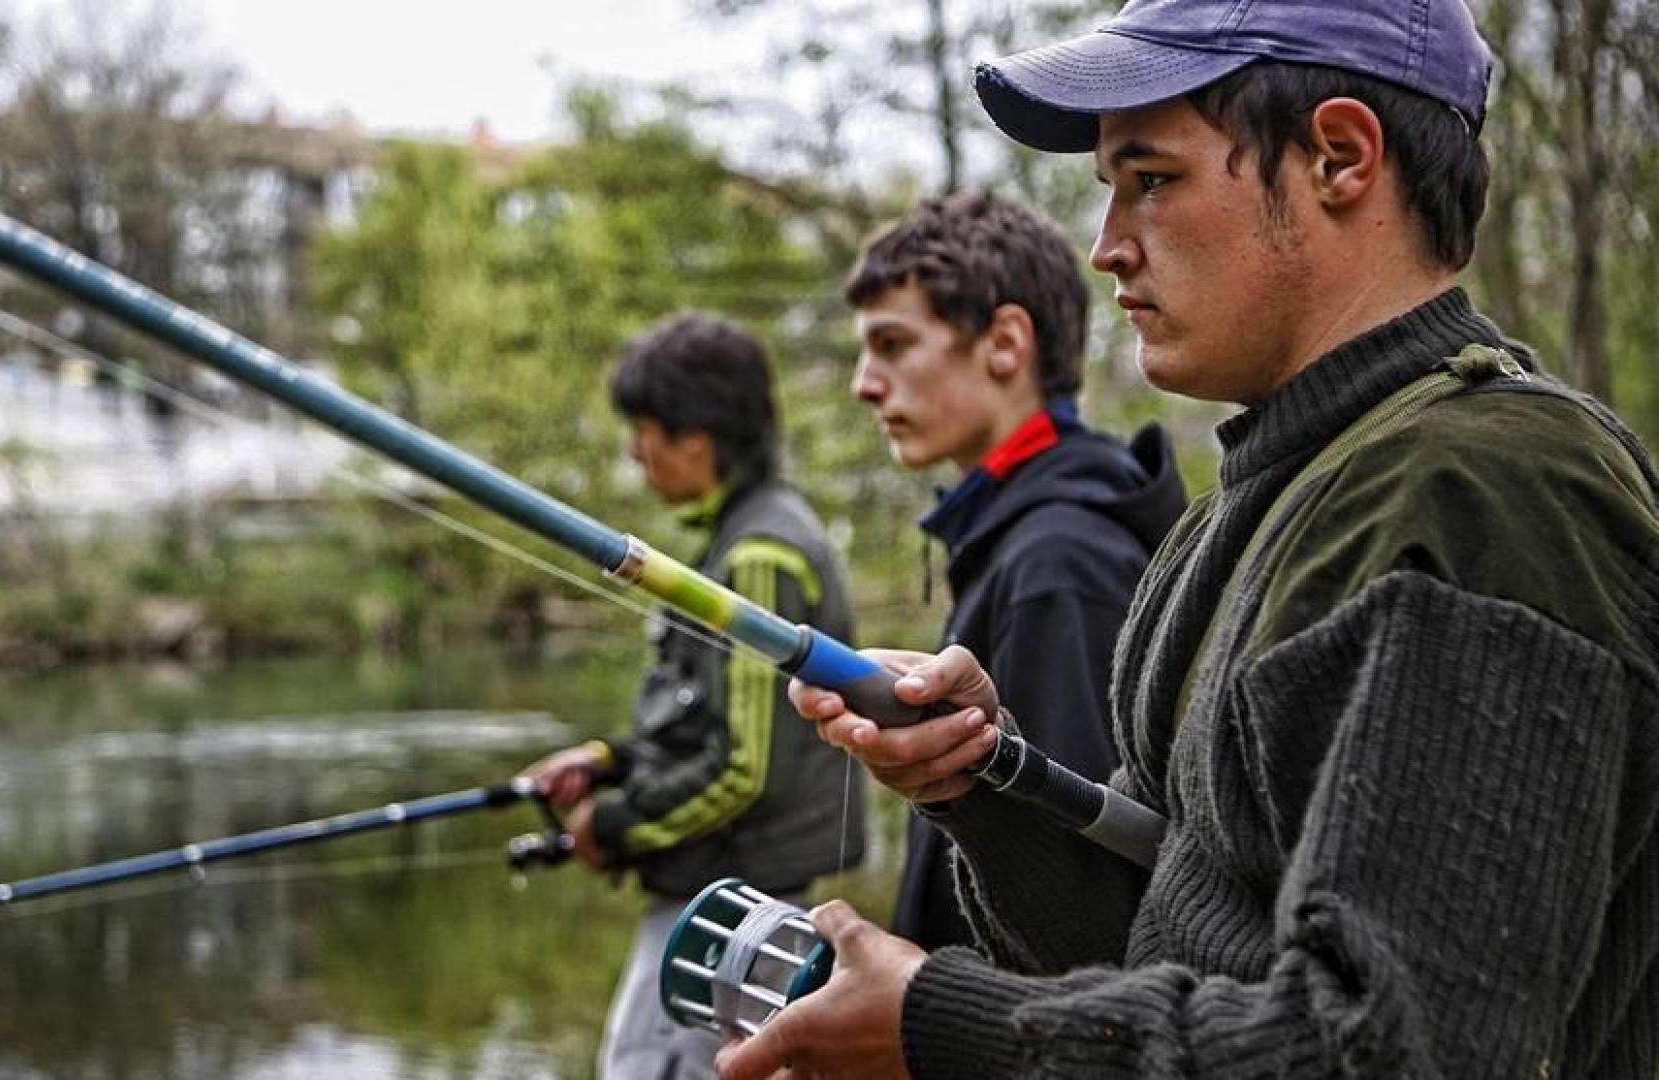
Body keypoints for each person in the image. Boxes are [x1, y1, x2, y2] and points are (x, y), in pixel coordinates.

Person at [717, 1, 1659, 1077]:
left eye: (1152, 179)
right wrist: (979, 784)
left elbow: (1397, 1051)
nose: (1107, 246)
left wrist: (943, 1023)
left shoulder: (1486, 491)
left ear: (1340, 157)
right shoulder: (1252, 504)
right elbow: (1169, 942)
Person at [520, 312, 865, 1080]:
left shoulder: (760, 555)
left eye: (643, 432)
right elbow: (701, 723)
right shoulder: (740, 537)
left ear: (697, 438)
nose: (635, 455)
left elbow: (745, 769)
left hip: (726, 913)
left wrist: (612, 822)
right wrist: (608, 762)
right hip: (719, 898)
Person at [843, 189, 1184, 952]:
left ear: (1004, 343)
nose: (864, 382)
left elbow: (1087, 903)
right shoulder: (1014, 538)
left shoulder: (1059, 564)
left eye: (892, 345)